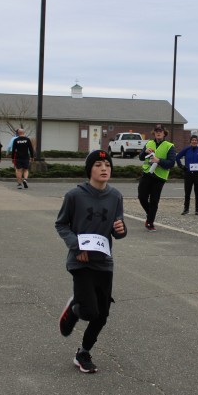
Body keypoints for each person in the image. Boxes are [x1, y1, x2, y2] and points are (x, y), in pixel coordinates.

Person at [55, 150, 127, 373]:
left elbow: (118, 230)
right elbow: (61, 224)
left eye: (107, 165)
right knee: (89, 311)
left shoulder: (116, 196)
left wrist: (121, 229)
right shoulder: (74, 195)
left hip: (103, 261)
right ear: (89, 170)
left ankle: (83, 353)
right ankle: (74, 308)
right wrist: (76, 246)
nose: (104, 168)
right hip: (81, 261)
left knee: (102, 315)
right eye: (98, 165)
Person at [137, 124, 176, 231]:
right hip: (147, 173)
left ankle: (150, 222)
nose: (158, 133)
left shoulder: (169, 146)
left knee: (154, 200)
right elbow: (140, 157)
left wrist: (159, 161)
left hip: (159, 177)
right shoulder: (149, 143)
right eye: (156, 131)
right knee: (142, 197)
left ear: (164, 133)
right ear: (154, 133)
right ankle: (150, 214)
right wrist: (144, 152)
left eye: (160, 131)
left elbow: (171, 163)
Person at [175, 135, 198, 215]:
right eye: (193, 140)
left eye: (196, 140)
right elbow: (177, 157)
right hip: (188, 173)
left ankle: (197, 209)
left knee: (197, 192)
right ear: (190, 141)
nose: (194, 141)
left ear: (197, 142)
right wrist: (182, 166)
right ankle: (186, 209)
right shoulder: (186, 149)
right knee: (187, 192)